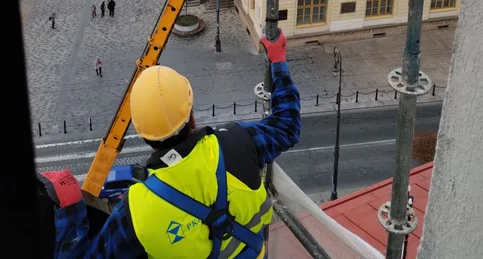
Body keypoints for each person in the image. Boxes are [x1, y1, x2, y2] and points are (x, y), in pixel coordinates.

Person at [48, 29, 300, 258]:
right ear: (190, 113)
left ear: (142, 132)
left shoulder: (134, 210)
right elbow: (287, 124)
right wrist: (277, 61)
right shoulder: (238, 142)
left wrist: (70, 207)